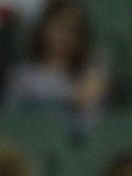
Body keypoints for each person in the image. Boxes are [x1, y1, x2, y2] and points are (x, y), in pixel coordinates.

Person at [3, 0, 108, 137]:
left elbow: (89, 104)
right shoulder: (22, 76)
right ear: (44, 29)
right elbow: (11, 120)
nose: (67, 37)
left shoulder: (88, 73)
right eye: (62, 28)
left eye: (75, 30)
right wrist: (68, 97)